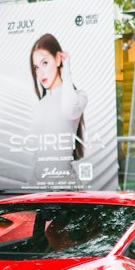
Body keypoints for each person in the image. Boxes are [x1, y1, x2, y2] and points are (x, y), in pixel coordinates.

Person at [28, 33, 87, 186]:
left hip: (66, 188)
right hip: (39, 189)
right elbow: (37, 156)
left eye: (45, 63)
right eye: (36, 67)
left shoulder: (79, 96)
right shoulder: (39, 105)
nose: (41, 73)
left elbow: (69, 111)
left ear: (58, 59)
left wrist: (66, 70)